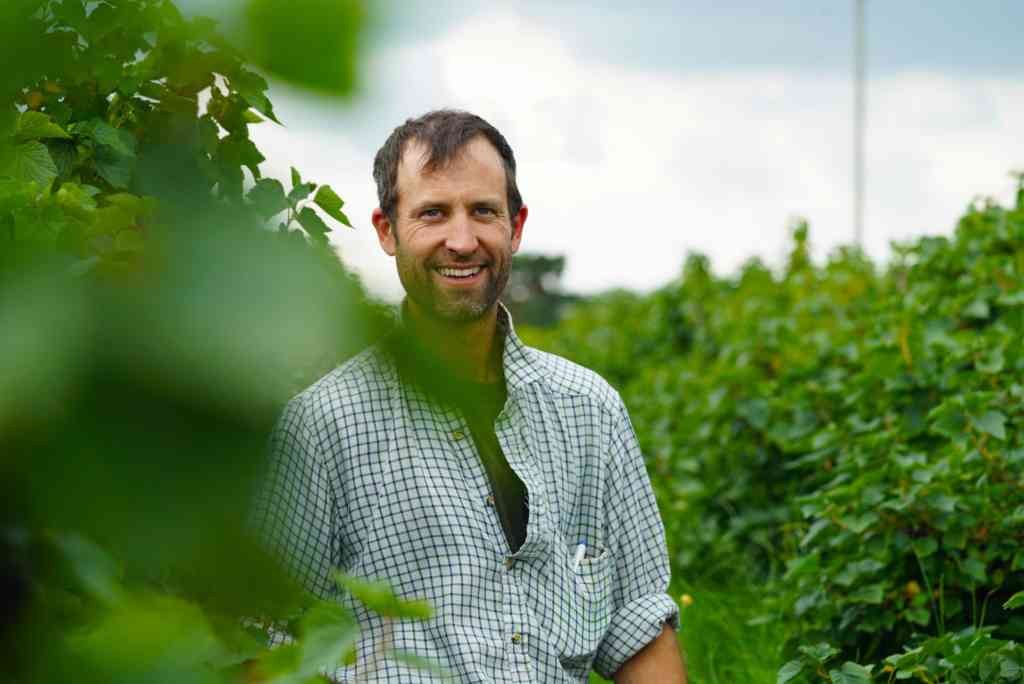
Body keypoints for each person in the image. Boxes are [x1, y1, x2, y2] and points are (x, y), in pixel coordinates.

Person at [252, 109, 687, 682]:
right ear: (387, 231)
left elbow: (638, 627)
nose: (462, 241)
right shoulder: (322, 426)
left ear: (516, 225)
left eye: (483, 211)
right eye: (432, 213)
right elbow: (270, 641)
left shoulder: (590, 410)